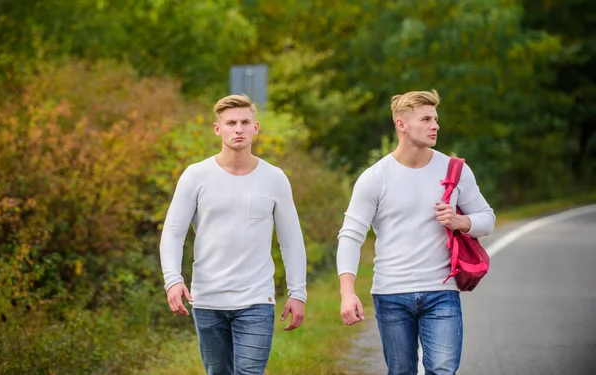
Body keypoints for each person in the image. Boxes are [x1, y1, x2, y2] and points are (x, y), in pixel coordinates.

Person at [337, 89, 495, 375]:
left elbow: (487, 219)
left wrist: (461, 223)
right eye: (425, 119)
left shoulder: (454, 169)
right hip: (391, 293)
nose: (435, 125)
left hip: (441, 290)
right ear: (401, 124)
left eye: (435, 119)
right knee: (401, 371)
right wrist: (347, 292)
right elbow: (350, 235)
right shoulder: (374, 178)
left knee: (443, 369)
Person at [160, 94, 307, 375]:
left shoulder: (274, 178)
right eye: (230, 123)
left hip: (256, 299)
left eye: (244, 122)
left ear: (256, 128)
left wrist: (297, 292)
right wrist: (173, 280)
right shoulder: (195, 176)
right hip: (207, 299)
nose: (238, 129)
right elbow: (173, 233)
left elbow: (291, 241)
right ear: (218, 129)